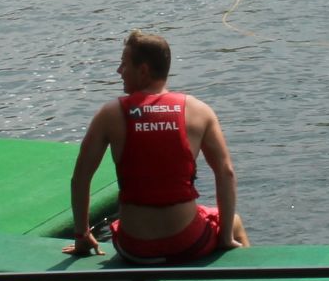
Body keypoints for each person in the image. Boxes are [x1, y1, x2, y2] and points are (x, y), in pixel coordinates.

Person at [67, 31, 249, 264]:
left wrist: (82, 235)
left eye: (124, 64)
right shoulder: (199, 110)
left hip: (134, 247)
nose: (119, 71)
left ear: (143, 70)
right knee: (234, 222)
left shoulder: (109, 114)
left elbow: (80, 179)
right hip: (187, 242)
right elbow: (226, 173)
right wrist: (224, 237)